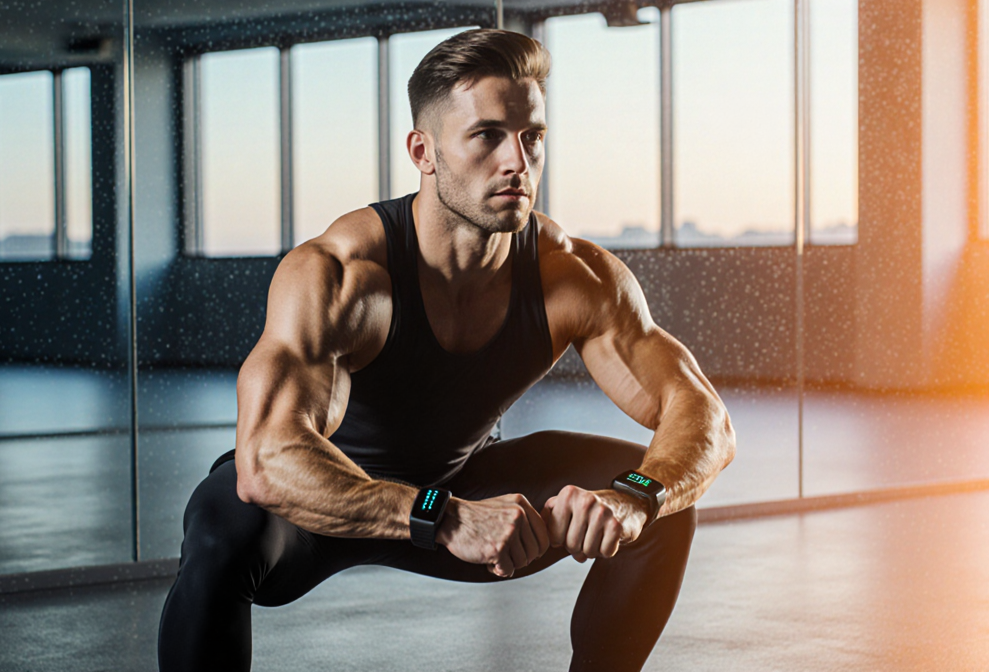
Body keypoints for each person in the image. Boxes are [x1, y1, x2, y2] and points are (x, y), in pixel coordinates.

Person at [158, 28, 735, 672]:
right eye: (487, 135)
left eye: (532, 137)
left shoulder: (570, 276)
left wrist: (631, 499)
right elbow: (267, 461)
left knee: (661, 509)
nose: (517, 161)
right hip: (322, 506)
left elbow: (701, 414)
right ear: (423, 151)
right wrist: (438, 516)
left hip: (462, 485)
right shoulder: (345, 274)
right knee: (219, 533)